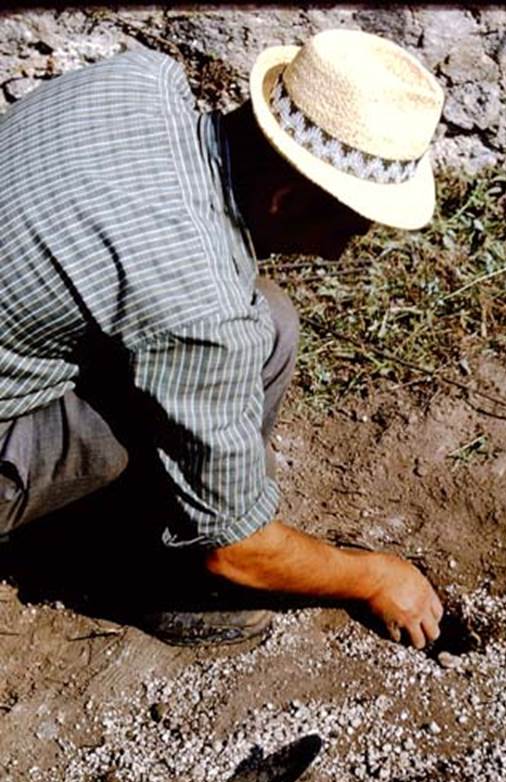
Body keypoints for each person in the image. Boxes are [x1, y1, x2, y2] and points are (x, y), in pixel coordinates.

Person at [0, 28, 445, 649]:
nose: (345, 250)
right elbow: (236, 549)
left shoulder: (143, 78)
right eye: (352, 225)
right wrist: (372, 576)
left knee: (269, 323)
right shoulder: (202, 306)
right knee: (166, 421)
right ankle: (143, 574)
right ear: (286, 199)